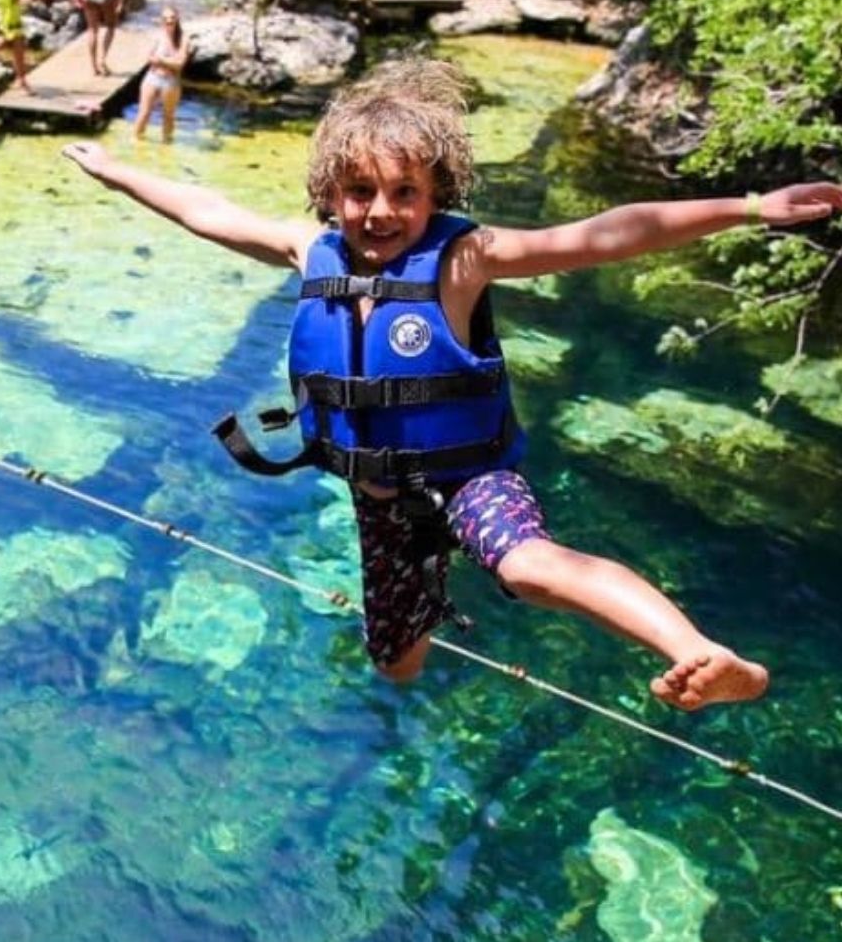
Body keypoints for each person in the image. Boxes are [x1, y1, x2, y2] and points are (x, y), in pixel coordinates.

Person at [62, 58, 842, 710]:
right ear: (330, 191)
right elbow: (206, 209)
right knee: (394, 665)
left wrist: (749, 207)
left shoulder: (463, 261)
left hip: (470, 481)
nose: (380, 210)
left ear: (437, 196)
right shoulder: (309, 249)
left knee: (528, 566)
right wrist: (117, 174)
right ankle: (423, 625)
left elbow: (609, 233)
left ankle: (704, 654)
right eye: (360, 191)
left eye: (405, 193)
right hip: (383, 503)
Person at [132, 7, 191, 143]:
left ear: (177, 19)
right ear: (162, 21)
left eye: (172, 18)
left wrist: (161, 60)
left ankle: (166, 144)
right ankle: (136, 140)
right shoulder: (158, 36)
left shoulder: (183, 39)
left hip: (171, 81)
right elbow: (149, 58)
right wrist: (170, 61)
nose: (169, 21)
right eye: (166, 19)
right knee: (144, 112)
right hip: (153, 77)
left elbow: (180, 63)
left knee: (168, 116)